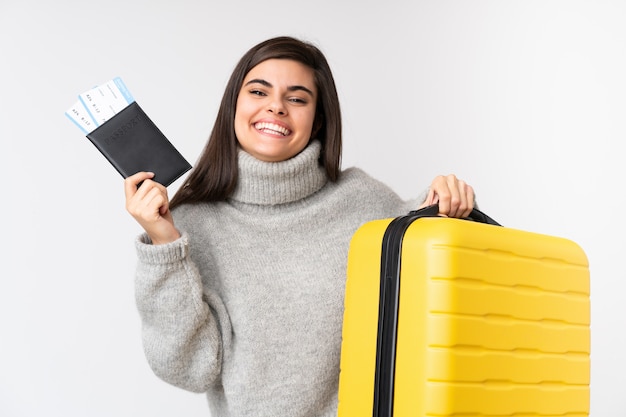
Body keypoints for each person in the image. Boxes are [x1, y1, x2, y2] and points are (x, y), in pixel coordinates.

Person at [124, 36, 475, 417]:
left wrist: (450, 207)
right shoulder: (192, 224)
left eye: (297, 98)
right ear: (234, 107)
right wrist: (164, 245)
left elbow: (434, 292)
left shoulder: (362, 201)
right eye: (259, 91)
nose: (276, 106)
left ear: (318, 118)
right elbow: (190, 370)